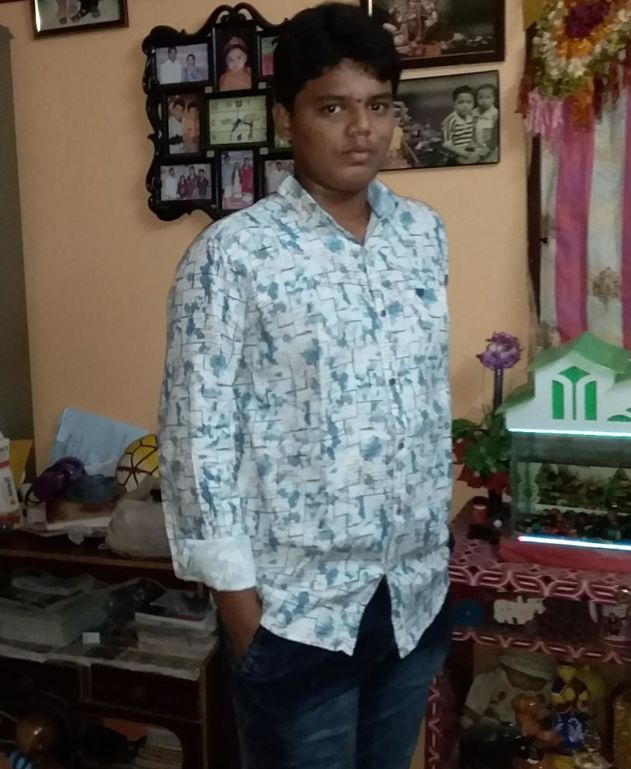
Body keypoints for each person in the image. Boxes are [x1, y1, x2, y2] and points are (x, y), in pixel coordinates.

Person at [158, 4, 451, 769]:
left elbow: (422, 402)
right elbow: (195, 438)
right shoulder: (233, 256)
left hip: (410, 598)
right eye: (333, 107)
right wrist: (240, 610)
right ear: (287, 118)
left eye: (379, 105)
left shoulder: (422, 236)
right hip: (295, 615)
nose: (362, 129)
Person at [441, 84, 479, 165]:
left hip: (469, 153)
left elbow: (471, 136)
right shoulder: (450, 121)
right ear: (454, 104)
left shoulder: (471, 117)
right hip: (455, 156)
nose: (465, 106)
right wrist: (466, 154)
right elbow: (446, 144)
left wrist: (473, 146)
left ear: (473, 103)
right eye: (460, 102)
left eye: (469, 102)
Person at [472, 83, 500, 163]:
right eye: (480, 98)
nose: (484, 101)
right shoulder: (473, 113)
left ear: (494, 98)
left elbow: (496, 135)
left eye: (488, 97)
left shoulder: (496, 114)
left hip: (492, 149)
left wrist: (489, 148)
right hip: (476, 148)